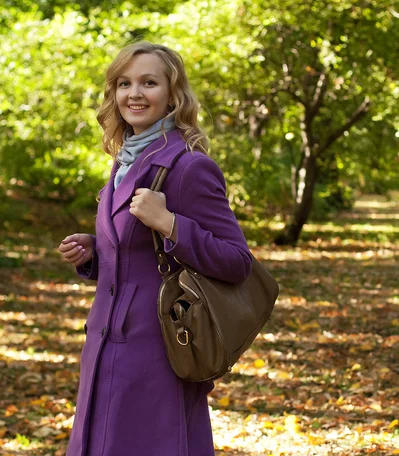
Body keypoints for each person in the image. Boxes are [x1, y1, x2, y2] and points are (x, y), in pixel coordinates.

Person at [57, 41, 252, 456]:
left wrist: (170, 224)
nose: (135, 94)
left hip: (159, 352)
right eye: (124, 83)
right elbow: (136, 251)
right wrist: (95, 250)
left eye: (149, 82)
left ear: (173, 93)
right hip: (106, 345)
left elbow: (238, 262)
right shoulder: (123, 160)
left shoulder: (188, 166)